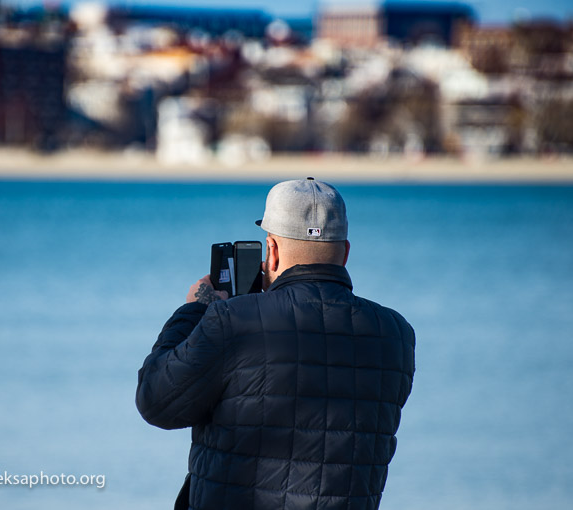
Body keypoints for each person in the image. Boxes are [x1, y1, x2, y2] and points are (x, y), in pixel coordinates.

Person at [136, 178, 415, 510]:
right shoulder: (396, 333)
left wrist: (194, 310)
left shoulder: (233, 320)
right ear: (345, 251)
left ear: (272, 250)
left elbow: (156, 401)